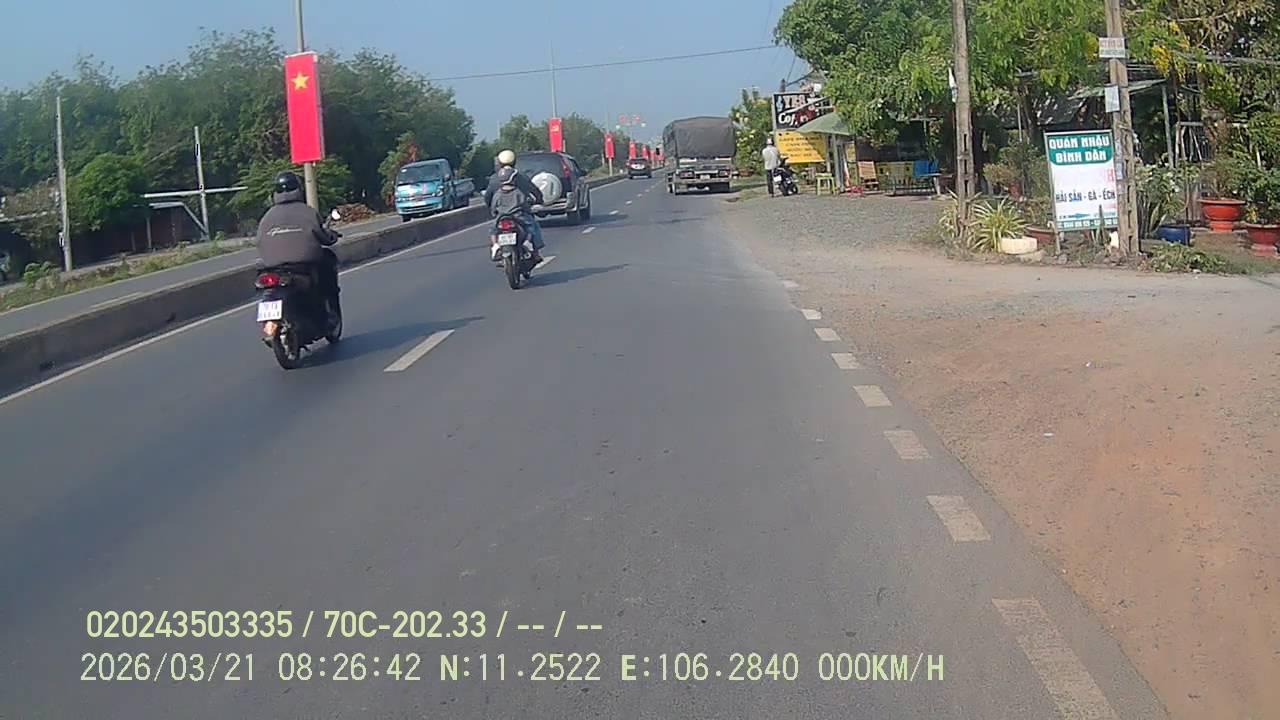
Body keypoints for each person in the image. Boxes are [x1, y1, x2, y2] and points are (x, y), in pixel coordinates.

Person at [256, 171, 341, 318]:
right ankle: (329, 311)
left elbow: (258, 241)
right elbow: (323, 237)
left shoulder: (267, 216)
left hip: (272, 266)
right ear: (300, 189)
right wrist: (332, 236)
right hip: (303, 266)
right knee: (327, 263)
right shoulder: (308, 212)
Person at [484, 150, 545, 262]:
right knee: (533, 226)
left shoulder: (494, 179)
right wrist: (539, 200)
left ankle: (495, 246)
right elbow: (534, 191)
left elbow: (488, 197)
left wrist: (493, 210)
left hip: (501, 215)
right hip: (520, 214)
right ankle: (535, 252)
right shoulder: (520, 177)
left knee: (493, 229)